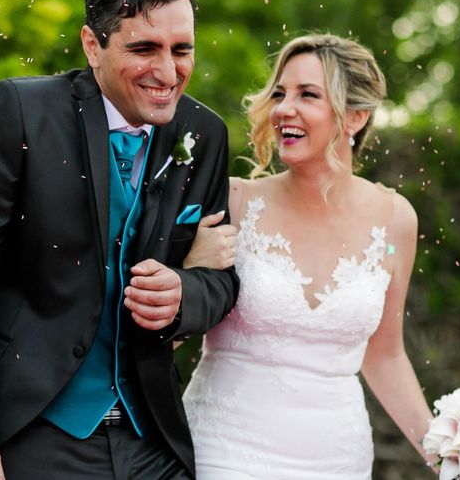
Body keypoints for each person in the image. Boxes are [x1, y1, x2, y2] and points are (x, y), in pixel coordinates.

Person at [0, 0, 239, 480]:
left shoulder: (203, 134)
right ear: (93, 45)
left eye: (182, 49)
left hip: (153, 439)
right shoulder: (22, 112)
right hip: (32, 432)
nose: (167, 70)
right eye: (144, 48)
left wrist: (185, 294)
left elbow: (220, 282)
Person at [181, 34, 434, 479]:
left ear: (356, 116)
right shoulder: (234, 202)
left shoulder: (396, 220)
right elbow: (169, 329)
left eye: (308, 95)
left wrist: (450, 457)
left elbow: (385, 355)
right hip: (223, 452)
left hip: (338, 458)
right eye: (279, 94)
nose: (283, 109)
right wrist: (188, 273)